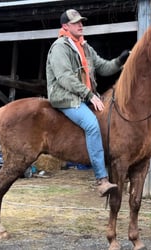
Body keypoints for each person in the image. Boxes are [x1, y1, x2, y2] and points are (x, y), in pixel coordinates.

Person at [46, 9, 129, 196]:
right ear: (65, 26)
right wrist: (90, 95)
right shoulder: (60, 47)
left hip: (81, 96)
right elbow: (65, 77)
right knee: (92, 125)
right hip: (65, 97)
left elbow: (104, 67)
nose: (80, 25)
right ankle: (101, 179)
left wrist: (120, 61)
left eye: (81, 22)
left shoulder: (84, 47)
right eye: (76, 23)